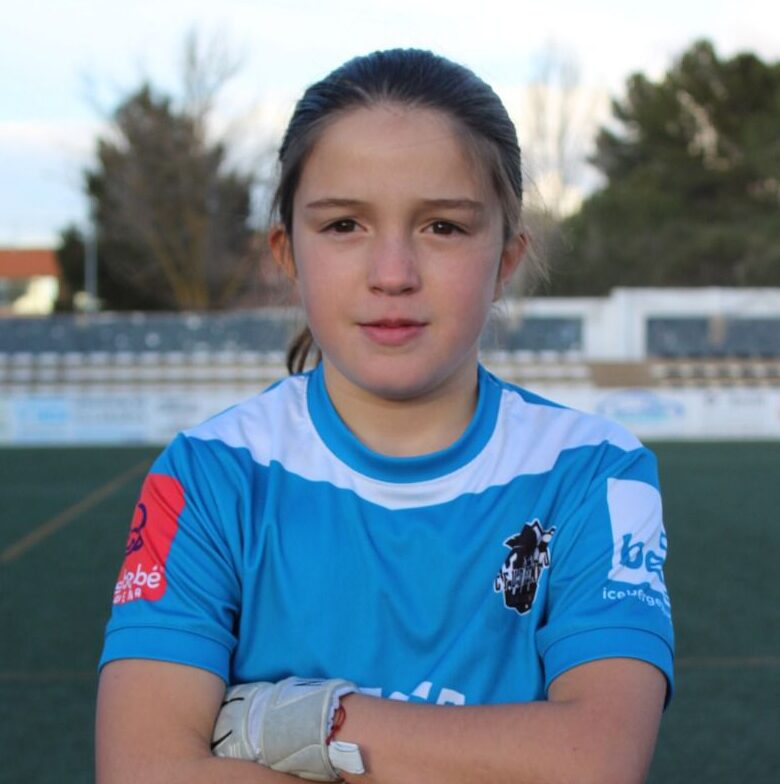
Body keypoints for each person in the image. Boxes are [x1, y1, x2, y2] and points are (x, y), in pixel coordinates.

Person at [96, 48, 673, 784]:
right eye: (344, 225)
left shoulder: (595, 474)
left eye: (443, 227)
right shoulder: (207, 477)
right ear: (287, 253)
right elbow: (141, 770)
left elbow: (596, 761)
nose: (393, 274)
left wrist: (310, 723)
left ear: (506, 257)